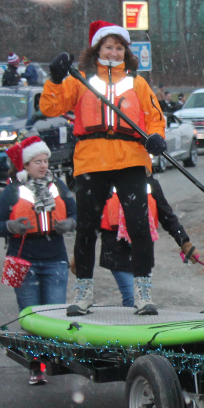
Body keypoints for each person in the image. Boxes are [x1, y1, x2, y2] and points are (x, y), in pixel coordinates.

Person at [40, 20, 166, 316]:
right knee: (86, 226)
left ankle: (143, 290)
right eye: (108, 46)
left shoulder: (137, 82)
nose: (113, 52)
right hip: (91, 159)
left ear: (126, 51)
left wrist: (157, 136)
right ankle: (83, 291)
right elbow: (50, 107)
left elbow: (154, 116)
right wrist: (55, 79)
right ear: (98, 48)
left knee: (138, 225)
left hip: (131, 158)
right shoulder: (80, 79)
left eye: (119, 47)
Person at [0, 136, 76, 384]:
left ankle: (52, 360)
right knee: (30, 318)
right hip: (25, 262)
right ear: (25, 165)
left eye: (45, 160)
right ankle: (36, 367)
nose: (42, 165)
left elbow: (74, 214)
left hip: (55, 260)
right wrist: (12, 225)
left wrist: (70, 223)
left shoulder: (58, 186)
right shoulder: (12, 191)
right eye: (37, 161)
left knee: (53, 316)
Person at [99, 176, 198, 307]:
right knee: (132, 298)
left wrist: (184, 242)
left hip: (143, 253)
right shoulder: (107, 181)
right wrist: (81, 257)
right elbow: (92, 219)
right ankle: (132, 324)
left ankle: (138, 321)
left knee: (142, 301)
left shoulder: (151, 184)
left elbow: (167, 216)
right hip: (116, 253)